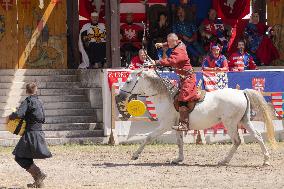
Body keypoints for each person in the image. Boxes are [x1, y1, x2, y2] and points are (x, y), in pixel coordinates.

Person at [6, 83, 52, 188]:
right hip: (39, 133)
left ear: (26, 91)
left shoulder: (28, 101)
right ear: (36, 90)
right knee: (27, 157)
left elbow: (19, 114)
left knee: (19, 157)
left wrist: (11, 116)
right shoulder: (40, 102)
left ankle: (39, 174)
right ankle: (40, 184)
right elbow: (43, 118)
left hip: (30, 134)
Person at [154, 33, 200, 131]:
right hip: (184, 78)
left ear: (175, 41)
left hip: (188, 78)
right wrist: (163, 44)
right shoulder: (178, 43)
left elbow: (171, 61)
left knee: (182, 99)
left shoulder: (180, 50)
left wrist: (156, 62)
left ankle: (184, 125)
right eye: (168, 42)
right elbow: (171, 42)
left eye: (170, 42)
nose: (169, 44)